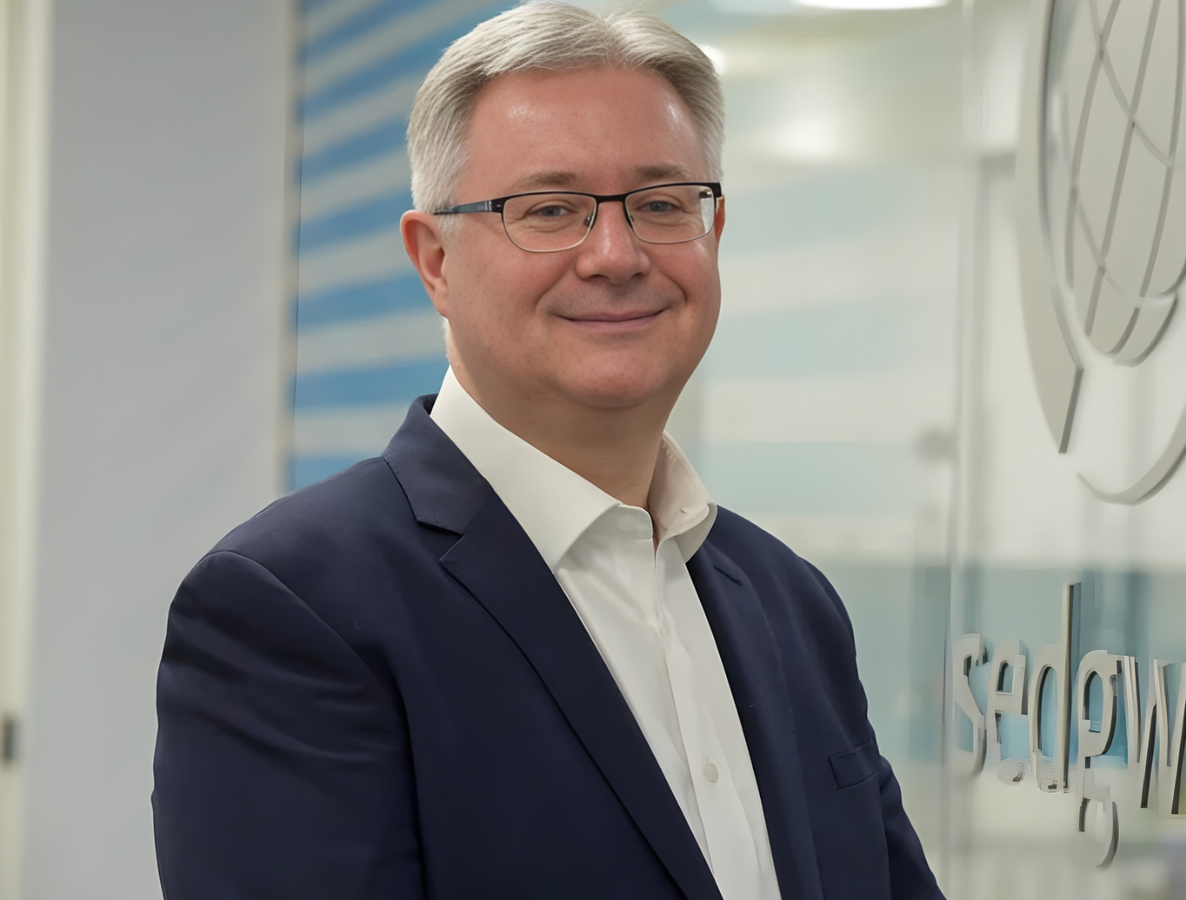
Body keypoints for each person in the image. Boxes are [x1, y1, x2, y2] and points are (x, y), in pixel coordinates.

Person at [151, 3, 943, 899]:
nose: (616, 254)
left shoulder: (791, 602)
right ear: (435, 261)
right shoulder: (296, 609)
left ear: (713, 233)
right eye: (551, 209)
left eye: (661, 205)